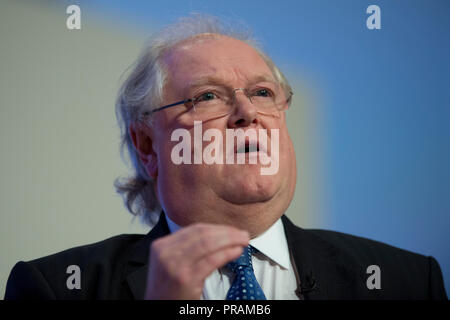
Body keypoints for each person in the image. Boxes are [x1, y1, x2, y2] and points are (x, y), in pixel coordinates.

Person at [4, 15, 447, 300]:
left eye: (262, 93)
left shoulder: (404, 282)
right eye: (208, 96)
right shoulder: (56, 289)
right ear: (147, 146)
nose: (248, 113)